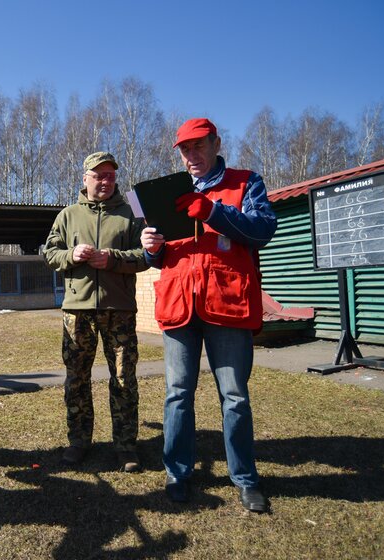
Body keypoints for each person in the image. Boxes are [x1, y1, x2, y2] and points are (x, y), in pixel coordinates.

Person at [141, 118, 277, 512]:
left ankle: (245, 478)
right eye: (184, 149)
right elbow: (162, 255)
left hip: (227, 304)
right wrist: (151, 247)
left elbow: (263, 230)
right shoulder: (166, 194)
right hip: (180, 304)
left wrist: (212, 212)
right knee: (177, 394)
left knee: (234, 396)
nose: (191, 155)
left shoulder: (245, 182)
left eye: (199, 146)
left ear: (217, 143)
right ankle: (177, 472)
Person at [43, 152, 148, 473]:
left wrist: (113, 259)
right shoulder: (67, 215)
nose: (104, 181)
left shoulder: (131, 215)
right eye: (98, 175)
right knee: (77, 379)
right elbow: (49, 253)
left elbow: (147, 256)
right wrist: (71, 254)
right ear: (85, 178)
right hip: (77, 311)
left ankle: (126, 446)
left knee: (123, 379)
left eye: (110, 176)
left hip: (120, 310)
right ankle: (78, 441)